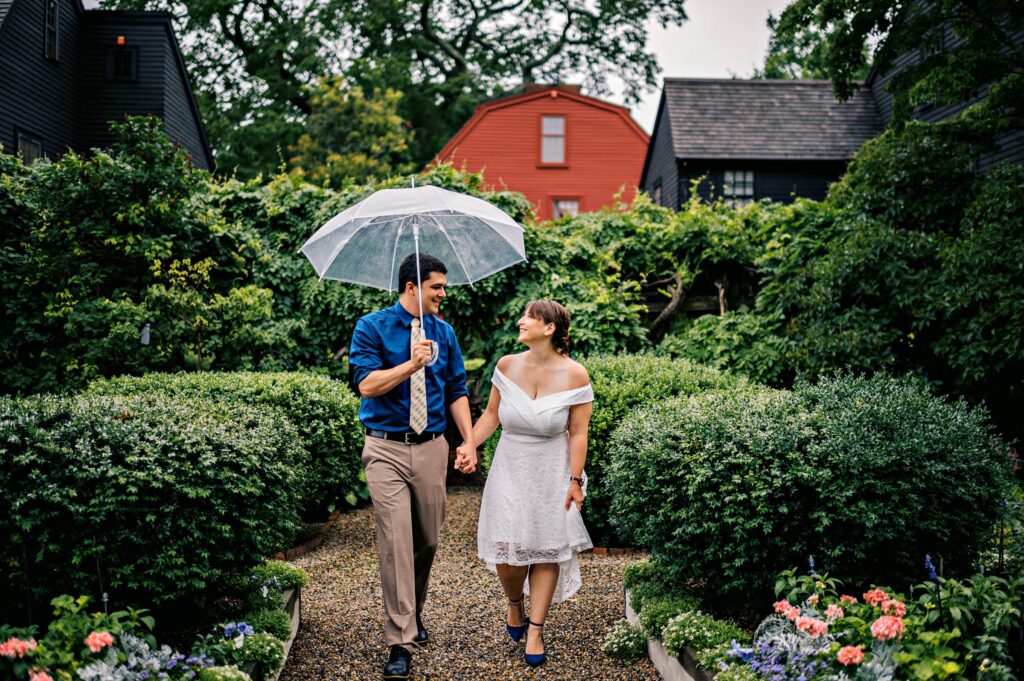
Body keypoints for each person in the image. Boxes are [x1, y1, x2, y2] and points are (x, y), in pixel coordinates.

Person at [349, 252, 478, 680]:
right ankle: (399, 640)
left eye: (444, 286)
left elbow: (457, 389)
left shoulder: (445, 332)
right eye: (436, 286)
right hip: (384, 448)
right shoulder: (372, 327)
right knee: (397, 540)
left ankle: (413, 611)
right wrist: (410, 364)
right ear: (411, 288)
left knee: (427, 540)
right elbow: (367, 385)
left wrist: (470, 441)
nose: (444, 293)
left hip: (431, 447)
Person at [459, 299, 593, 667]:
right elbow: (490, 416)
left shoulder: (576, 374)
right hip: (510, 466)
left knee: (548, 547)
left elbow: (578, 433)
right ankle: (515, 602)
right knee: (508, 552)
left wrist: (575, 480)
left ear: (549, 328)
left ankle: (536, 628)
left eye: (530, 317)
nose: (521, 322)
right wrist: (470, 443)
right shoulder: (506, 365)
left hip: (552, 468)